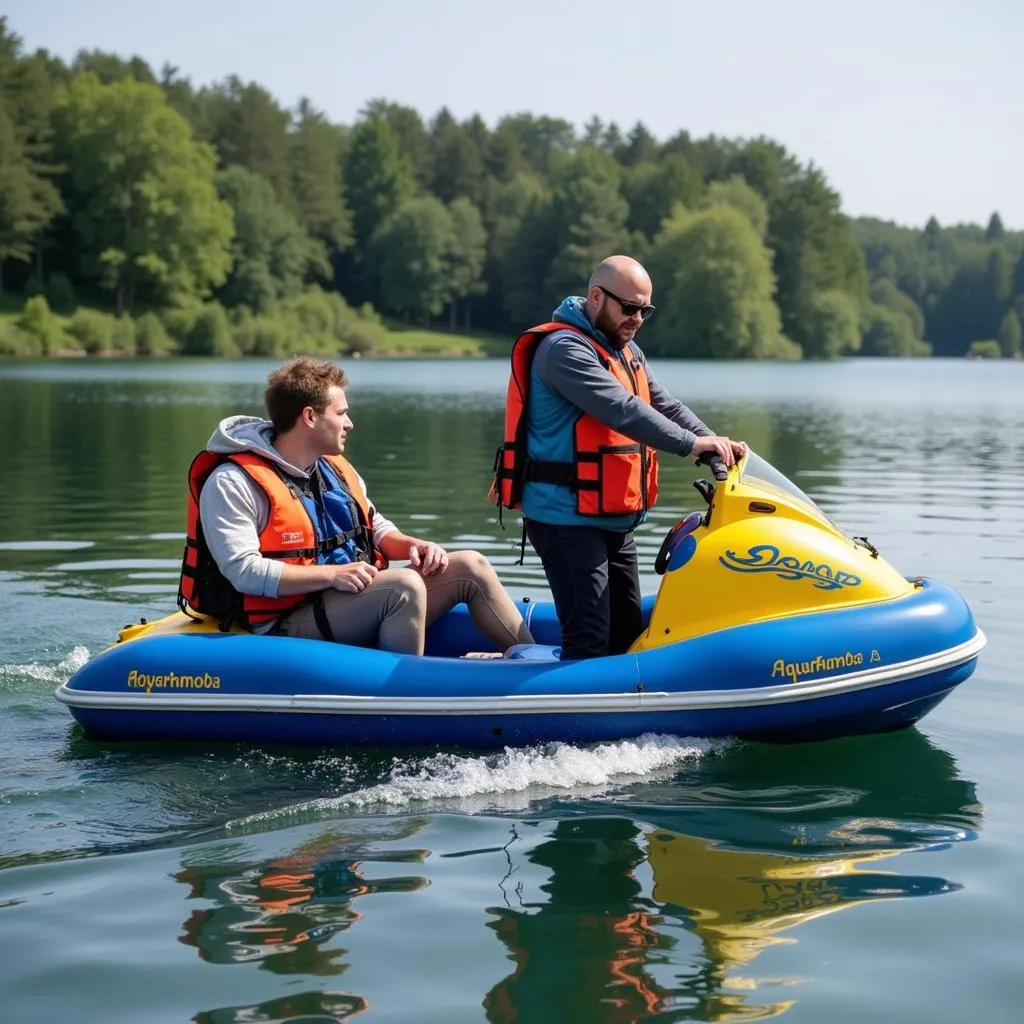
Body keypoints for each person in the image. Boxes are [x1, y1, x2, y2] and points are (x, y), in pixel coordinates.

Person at [179, 356, 533, 656]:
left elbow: (375, 527)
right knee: (403, 587)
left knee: (470, 564)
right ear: (310, 417)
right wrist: (333, 574)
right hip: (283, 623)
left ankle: (536, 666)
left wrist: (414, 545)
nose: (350, 423)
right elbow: (244, 571)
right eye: (341, 412)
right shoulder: (233, 482)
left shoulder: (332, 466)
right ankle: (408, 696)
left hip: (343, 601)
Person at [495, 254, 747, 660]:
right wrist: (689, 445)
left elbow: (663, 403)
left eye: (645, 310)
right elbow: (621, 409)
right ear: (596, 297)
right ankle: (566, 717)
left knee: (628, 633)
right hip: (565, 519)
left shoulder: (625, 350)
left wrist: (711, 438)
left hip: (612, 516)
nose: (638, 319)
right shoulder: (563, 350)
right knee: (590, 642)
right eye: (629, 308)